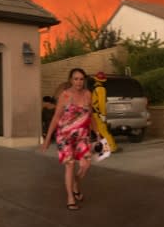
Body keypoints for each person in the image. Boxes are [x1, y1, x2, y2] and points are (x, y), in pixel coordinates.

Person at [41, 68, 99, 210]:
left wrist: (97, 133)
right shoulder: (65, 95)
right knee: (70, 165)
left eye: (81, 79)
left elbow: (90, 115)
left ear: (84, 80)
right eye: (75, 79)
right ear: (70, 80)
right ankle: (70, 197)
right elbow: (56, 118)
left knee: (86, 165)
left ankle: (75, 184)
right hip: (65, 136)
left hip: (82, 136)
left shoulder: (87, 94)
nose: (78, 82)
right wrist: (47, 138)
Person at [90, 71, 117, 157]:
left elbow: (101, 103)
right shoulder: (99, 88)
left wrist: (102, 115)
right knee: (101, 131)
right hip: (96, 113)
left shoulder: (99, 89)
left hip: (97, 113)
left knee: (103, 131)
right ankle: (107, 148)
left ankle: (111, 148)